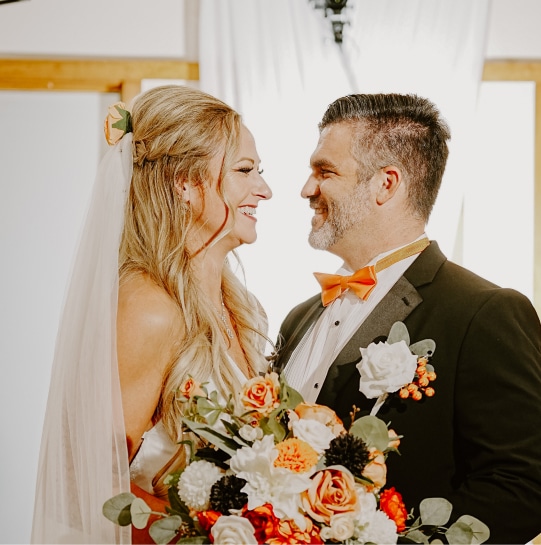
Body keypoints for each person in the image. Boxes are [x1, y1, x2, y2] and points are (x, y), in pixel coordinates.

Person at [274, 93, 541, 544]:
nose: (306, 189)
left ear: (386, 184)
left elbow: (524, 486)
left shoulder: (484, 312)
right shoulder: (299, 318)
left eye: (325, 171)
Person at [31, 85, 272, 544]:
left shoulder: (236, 305)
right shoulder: (148, 311)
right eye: (244, 170)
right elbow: (84, 490)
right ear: (185, 183)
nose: (264, 190)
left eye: (260, 171)